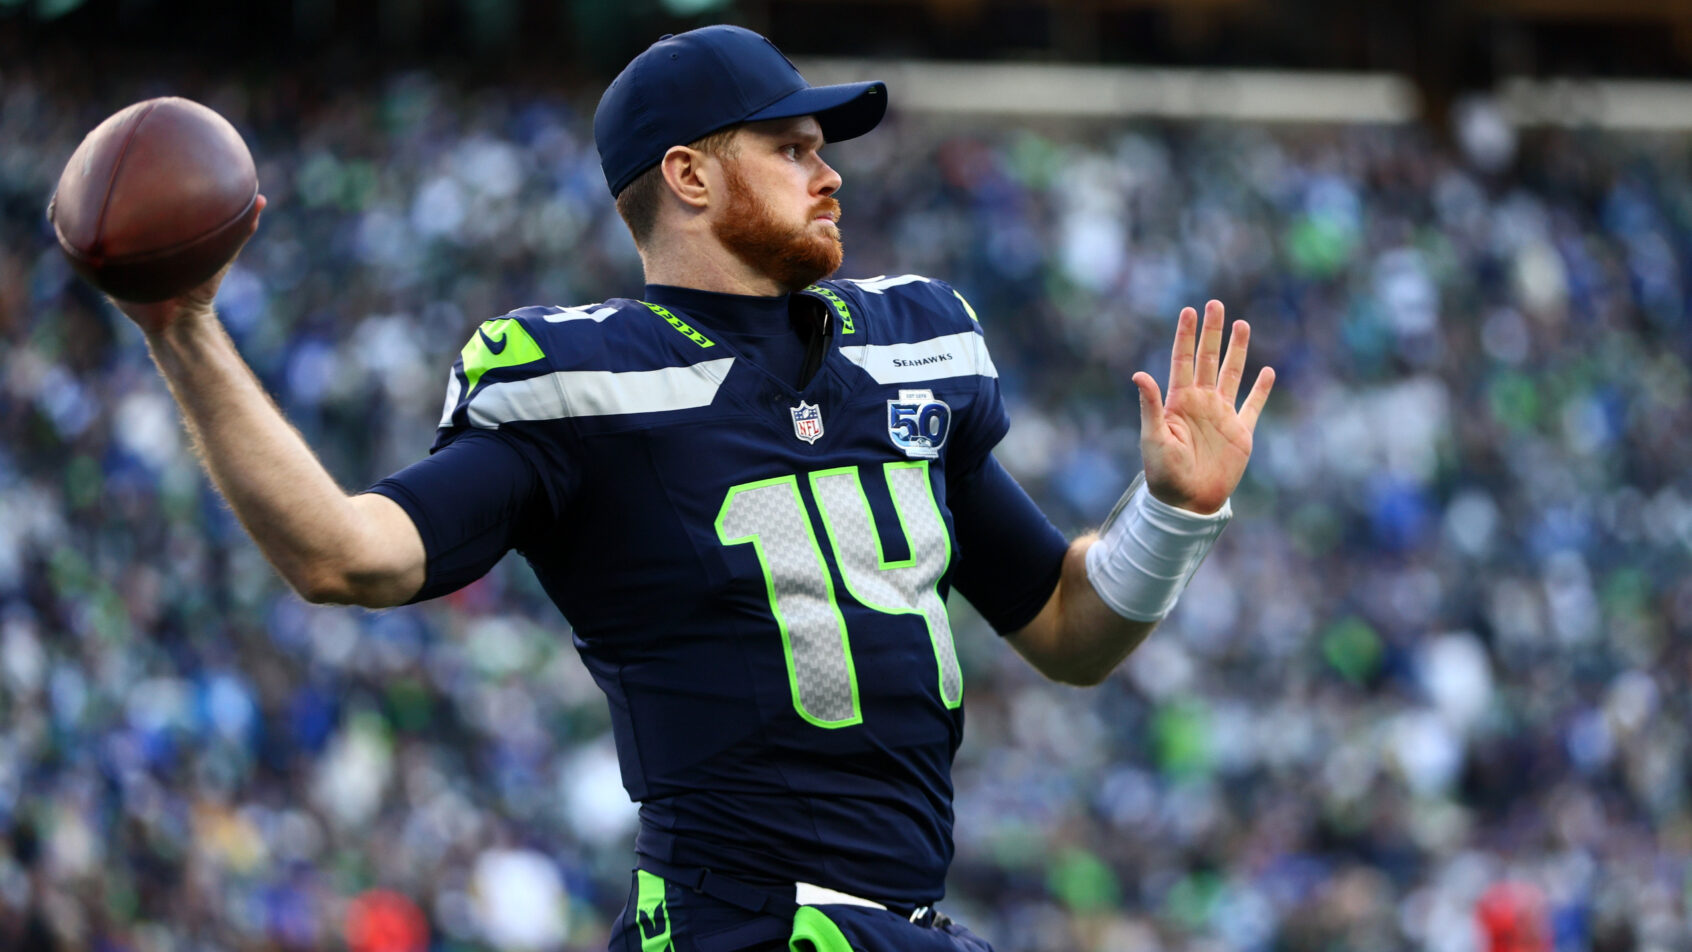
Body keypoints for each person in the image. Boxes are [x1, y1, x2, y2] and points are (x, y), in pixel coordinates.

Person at [108, 25, 1274, 952]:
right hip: (735, 923)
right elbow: (347, 552)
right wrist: (185, 330)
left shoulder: (908, 350)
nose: (828, 178)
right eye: (794, 149)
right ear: (690, 176)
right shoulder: (584, 385)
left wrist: (1175, 511)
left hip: (902, 924)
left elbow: (1071, 633)